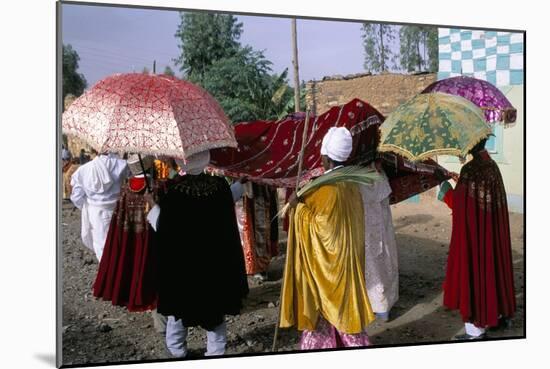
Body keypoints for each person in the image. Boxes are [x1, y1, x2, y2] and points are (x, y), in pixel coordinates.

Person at [144, 150, 249, 358]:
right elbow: (230, 197)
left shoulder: (174, 192)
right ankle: (215, 353)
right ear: (206, 161)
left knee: (179, 311)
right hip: (214, 265)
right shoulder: (218, 187)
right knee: (215, 312)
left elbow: (164, 229)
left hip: (185, 268)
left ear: (181, 163)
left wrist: (152, 204)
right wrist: (240, 183)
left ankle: (176, 352)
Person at [279, 127, 375, 350]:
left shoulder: (324, 190)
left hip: (328, 272)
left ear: (324, 156)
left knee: (326, 310)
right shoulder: (351, 184)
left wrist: (297, 208)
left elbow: (320, 231)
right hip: (348, 264)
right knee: (346, 313)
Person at [436, 139, 516, 340]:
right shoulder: (491, 164)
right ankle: (499, 313)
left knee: (475, 270)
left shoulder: (471, 170)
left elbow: (461, 206)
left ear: (469, 144)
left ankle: (475, 330)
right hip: (491, 230)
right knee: (493, 266)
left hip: (475, 235)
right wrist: (459, 180)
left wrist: (444, 187)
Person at [92, 154, 160, 312]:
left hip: (128, 231)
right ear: (149, 165)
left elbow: (120, 214)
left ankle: (128, 292)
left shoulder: (125, 188)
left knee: (129, 257)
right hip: (149, 232)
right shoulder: (156, 186)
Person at [359, 160, 399, 322]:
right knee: (382, 263)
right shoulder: (380, 176)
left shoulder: (355, 179)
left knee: (373, 265)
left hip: (369, 230)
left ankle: (377, 307)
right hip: (379, 229)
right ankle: (383, 308)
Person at [70, 152, 129, 261]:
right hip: (118, 209)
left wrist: (88, 206)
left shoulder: (82, 170)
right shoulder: (121, 164)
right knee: (119, 240)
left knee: (101, 243)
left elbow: (76, 197)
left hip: (95, 212)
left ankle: (106, 271)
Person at [235, 182, 279, 281]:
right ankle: (249, 264)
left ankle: (261, 267)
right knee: (245, 226)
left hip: (261, 188)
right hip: (243, 189)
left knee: (261, 226)